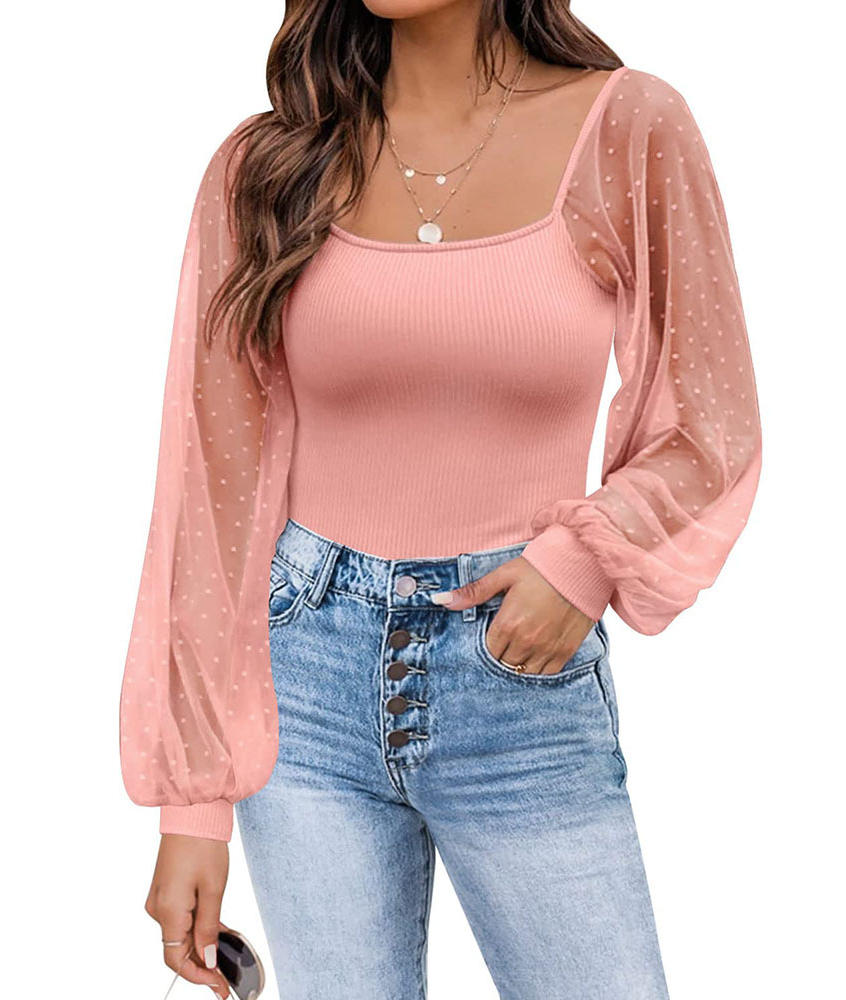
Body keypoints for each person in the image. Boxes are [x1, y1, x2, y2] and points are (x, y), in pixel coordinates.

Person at [119, 3, 762, 998]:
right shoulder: (267, 164)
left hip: (517, 675)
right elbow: (212, 492)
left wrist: (582, 560)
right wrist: (193, 805)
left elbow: (712, 423)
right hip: (304, 686)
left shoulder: (628, 126)